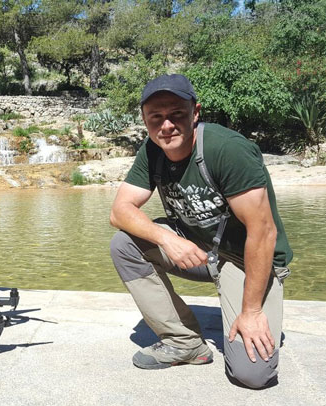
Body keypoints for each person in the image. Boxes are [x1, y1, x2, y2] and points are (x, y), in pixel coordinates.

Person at [109, 74, 292, 389]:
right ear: (145, 120)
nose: (166, 125)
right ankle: (183, 342)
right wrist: (168, 239)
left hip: (245, 259)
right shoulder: (152, 151)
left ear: (195, 113)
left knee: (253, 374)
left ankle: (242, 305)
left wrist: (249, 311)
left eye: (176, 114)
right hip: (200, 250)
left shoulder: (227, 149)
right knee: (125, 244)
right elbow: (120, 211)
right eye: (156, 117)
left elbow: (262, 233)